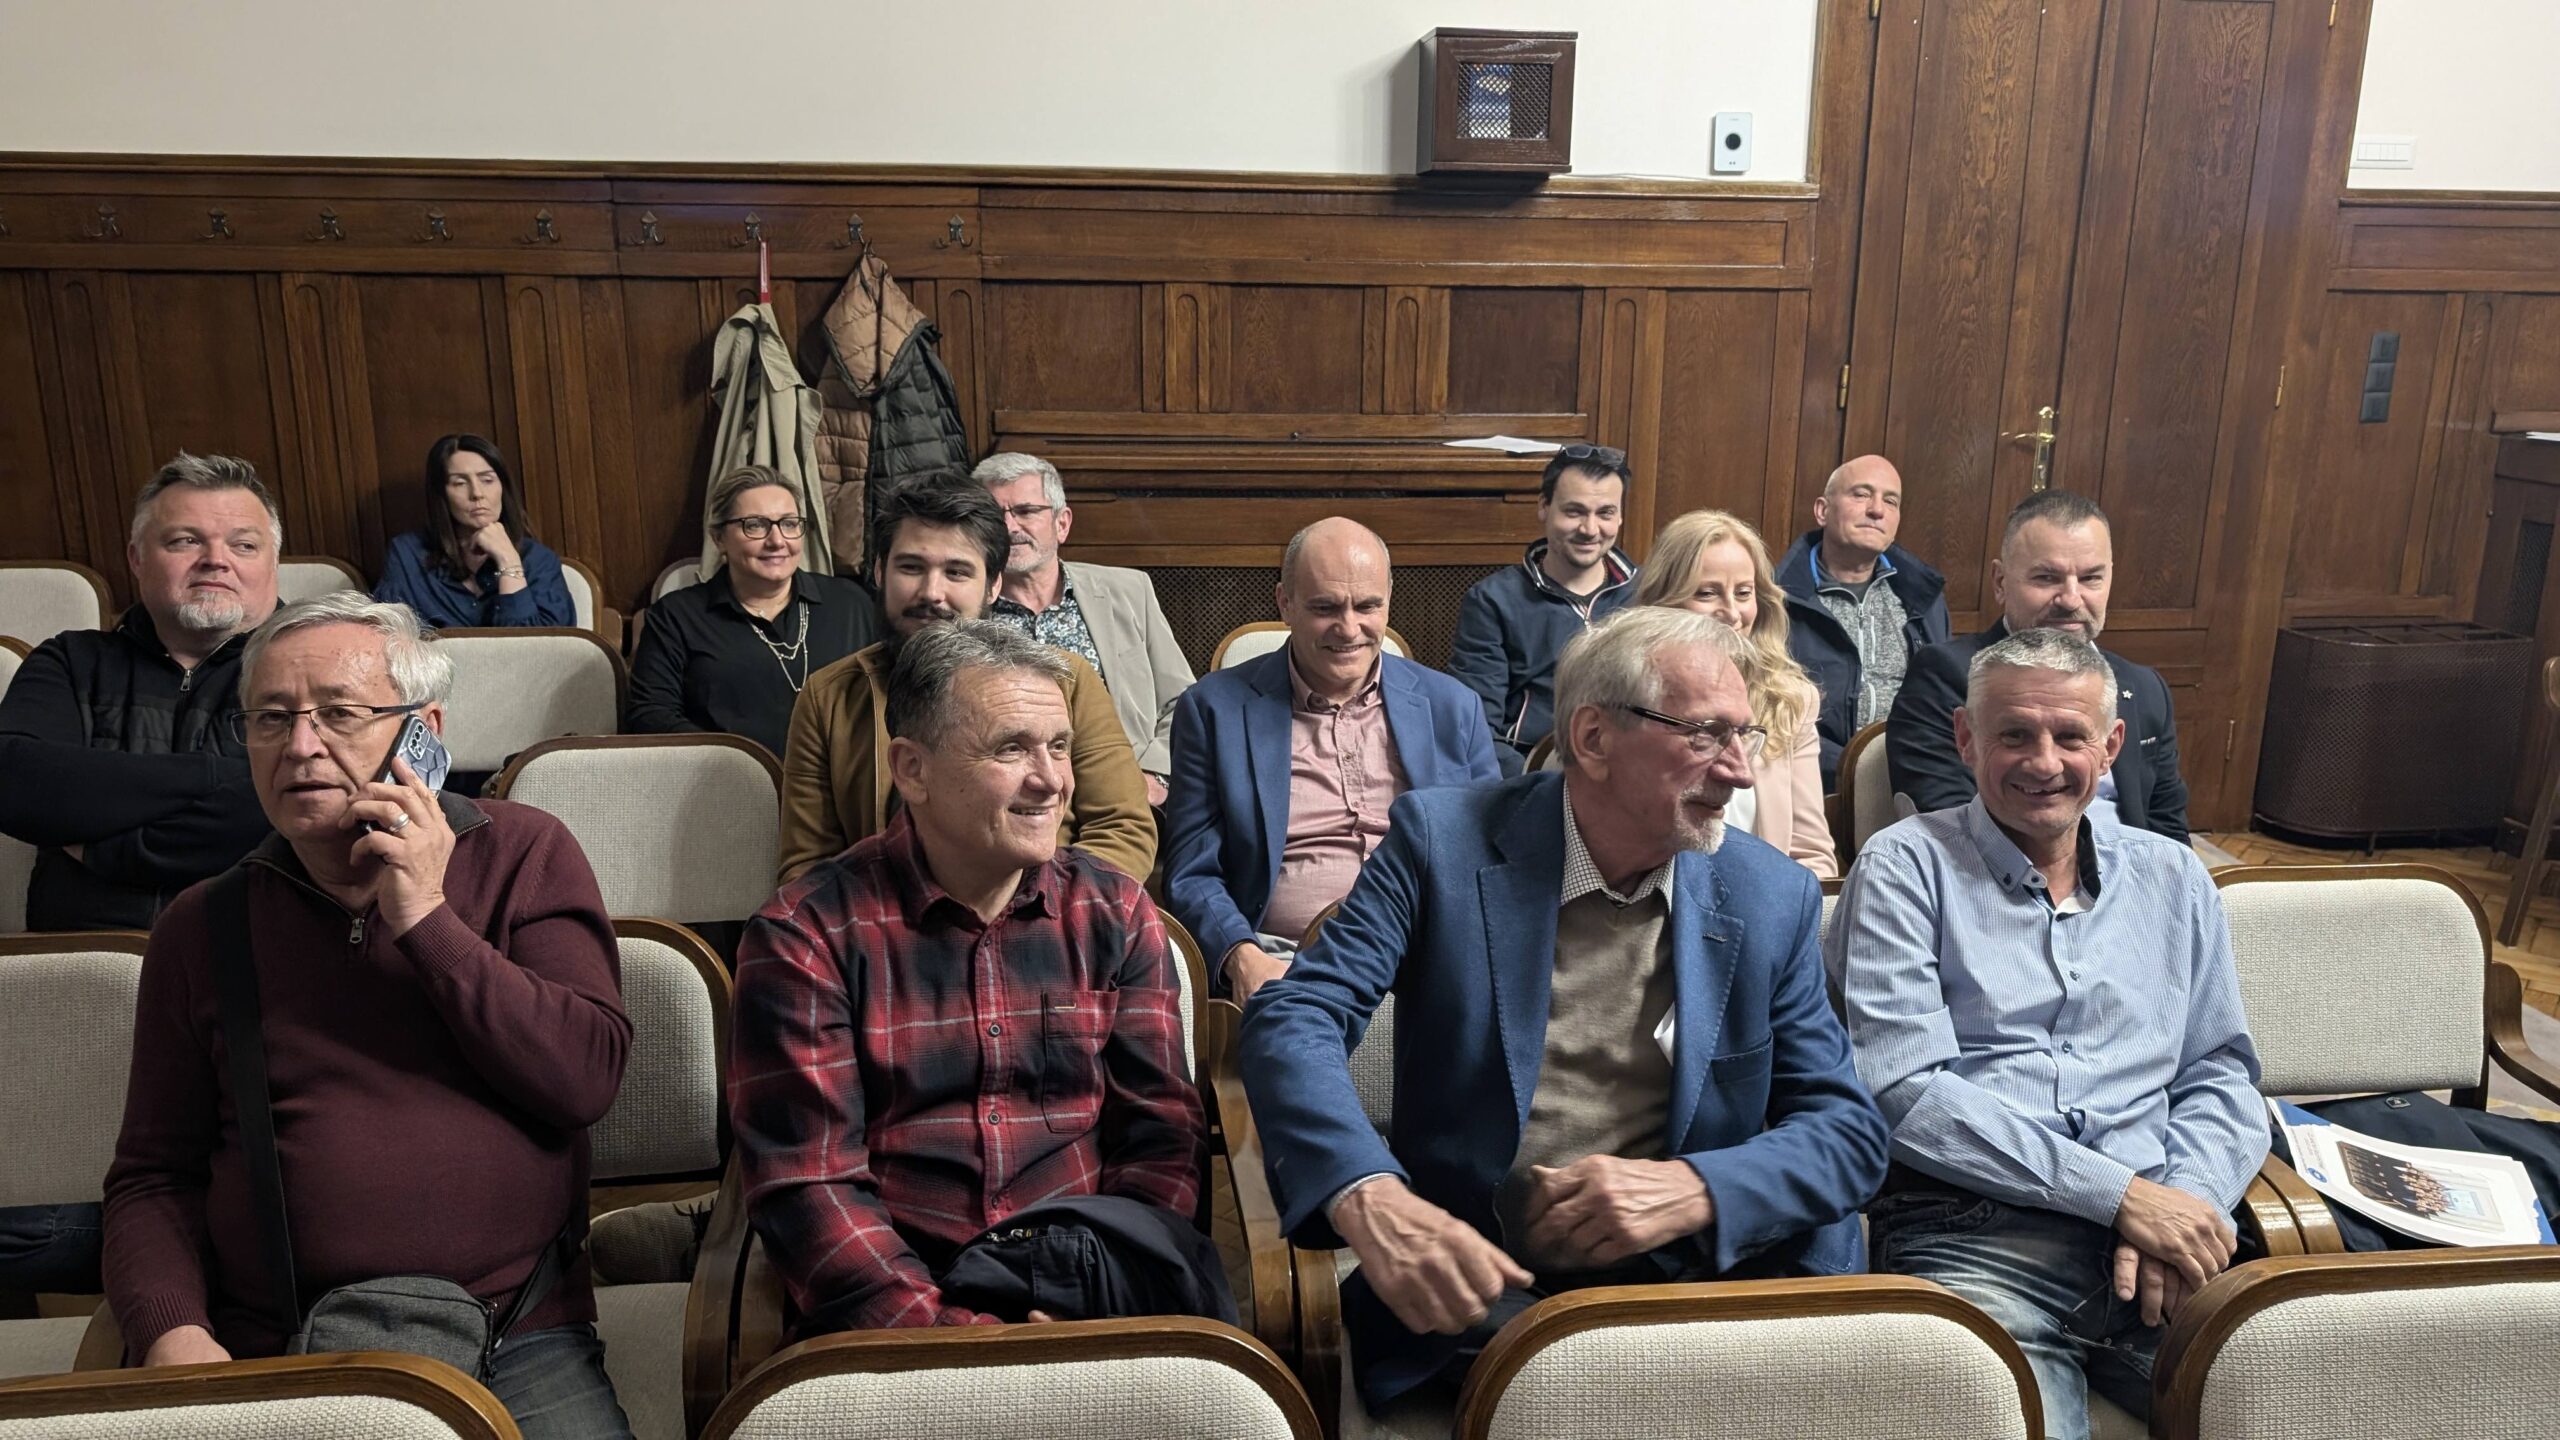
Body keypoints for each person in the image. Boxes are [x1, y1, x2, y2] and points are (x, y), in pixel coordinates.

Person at [1241, 605, 1887, 1413]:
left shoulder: (1769, 894)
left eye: (1743, 736)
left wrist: (1695, 1188)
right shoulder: (1443, 843)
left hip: (1707, 1282)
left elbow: (1848, 1133)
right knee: (1576, 1390)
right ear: (1593, 738)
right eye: (1705, 735)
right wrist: (1367, 1192)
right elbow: (1296, 1016)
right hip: (1494, 1285)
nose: (1740, 772)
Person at [102, 593, 634, 1440]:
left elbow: (585, 1079)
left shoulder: (525, 853)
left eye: (339, 715)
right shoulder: (203, 925)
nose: (301, 746)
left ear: (423, 731)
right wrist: (172, 1332)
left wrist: (427, 920)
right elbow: (153, 1177)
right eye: (271, 718)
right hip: (281, 1337)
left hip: (515, 1331)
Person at [1833, 627, 2263, 1440]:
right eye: (2015, 735)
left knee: (2303, 1404)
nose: (2043, 762)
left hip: (2162, 1236)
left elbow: (2220, 1072)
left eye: (2070, 736)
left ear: (2111, 747)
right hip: (1974, 1236)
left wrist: (2189, 1204)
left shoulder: (2173, 877)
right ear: (1966, 739)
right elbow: (1904, 1092)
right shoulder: (1904, 868)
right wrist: (2123, 1197)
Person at [733, 621, 1219, 1335]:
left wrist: (1106, 1299)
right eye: (1011, 748)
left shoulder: (1114, 912)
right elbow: (812, 1189)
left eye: (1059, 746)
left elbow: (1161, 1139)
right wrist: (962, 1341)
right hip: (896, 1323)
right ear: (912, 770)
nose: (1051, 780)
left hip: (1092, 1303)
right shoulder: (805, 937)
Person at [1164, 517, 1500, 1000]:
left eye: (1367, 606)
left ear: (1389, 599)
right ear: (1285, 603)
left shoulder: (1453, 707)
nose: (1349, 629)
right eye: (1325, 608)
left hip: (1432, 957)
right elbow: (1192, 871)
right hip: (1285, 961)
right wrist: (1241, 955)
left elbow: (1489, 854)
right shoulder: (1213, 710)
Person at [778, 471, 1153, 885]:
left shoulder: (1064, 681)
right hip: (877, 918)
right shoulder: (829, 696)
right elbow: (806, 866)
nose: (931, 592)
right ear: (880, 571)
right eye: (911, 567)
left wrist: (1033, 906)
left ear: (993, 586)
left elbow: (1123, 830)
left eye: (957, 572)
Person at [0, 453, 282, 933]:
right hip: (82, 952)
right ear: (137, 558)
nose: (216, 559)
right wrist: (221, 775)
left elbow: (296, 815)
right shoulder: (69, 660)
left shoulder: (315, 668)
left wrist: (101, 850)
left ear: (272, 562)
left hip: (261, 946)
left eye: (244, 545)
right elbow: (15, 782)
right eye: (185, 540)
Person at [1887, 490, 2189, 843]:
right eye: (2046, 578)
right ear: (2001, 582)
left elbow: (2169, 833)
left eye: (2091, 578)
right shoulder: (1947, 675)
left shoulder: (2146, 688)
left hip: (2133, 873)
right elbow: (1953, 831)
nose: (2071, 599)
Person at [974, 452, 1195, 806]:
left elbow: (1183, 702)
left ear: (1061, 523)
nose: (1009, 527)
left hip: (1125, 794)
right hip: (1014, 798)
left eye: (1026, 511)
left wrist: (1155, 776)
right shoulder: (966, 607)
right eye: (993, 515)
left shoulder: (1129, 590)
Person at [627, 465, 885, 762]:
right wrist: (737, 766)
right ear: (718, 538)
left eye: (789, 524)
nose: (777, 541)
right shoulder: (675, 617)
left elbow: (887, 694)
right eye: (755, 525)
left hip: (843, 781)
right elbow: (651, 715)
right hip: (724, 783)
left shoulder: (850, 603)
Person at [1632, 509, 1839, 878]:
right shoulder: (1629, 697)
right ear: (1665, 601)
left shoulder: (1790, 701)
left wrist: (1768, 909)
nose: (1731, 612)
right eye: (1707, 593)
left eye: (1744, 593)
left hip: (1761, 902)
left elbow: (1813, 859)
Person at [1449, 445, 1637, 772]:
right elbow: (1475, 727)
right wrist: (1529, 783)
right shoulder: (1492, 601)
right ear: (1544, 507)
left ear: (1620, 516)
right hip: (1531, 773)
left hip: (1631, 770)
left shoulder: (1648, 592)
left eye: (1605, 513)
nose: (1590, 529)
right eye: (1574, 512)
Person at [1775, 455, 1949, 786]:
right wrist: (1852, 770)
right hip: (1810, 779)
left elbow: (1943, 699)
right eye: (1861, 494)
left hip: (1910, 777)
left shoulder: (1923, 598)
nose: (1877, 510)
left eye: (1890, 501)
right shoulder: (1778, 598)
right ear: (1823, 511)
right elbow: (1770, 709)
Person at [371, 434, 576, 629]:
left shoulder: (539, 560)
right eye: (460, 483)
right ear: (442, 494)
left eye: (487, 480)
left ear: (502, 488)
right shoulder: (408, 554)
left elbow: (544, 646)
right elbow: (389, 634)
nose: (477, 494)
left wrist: (509, 562)